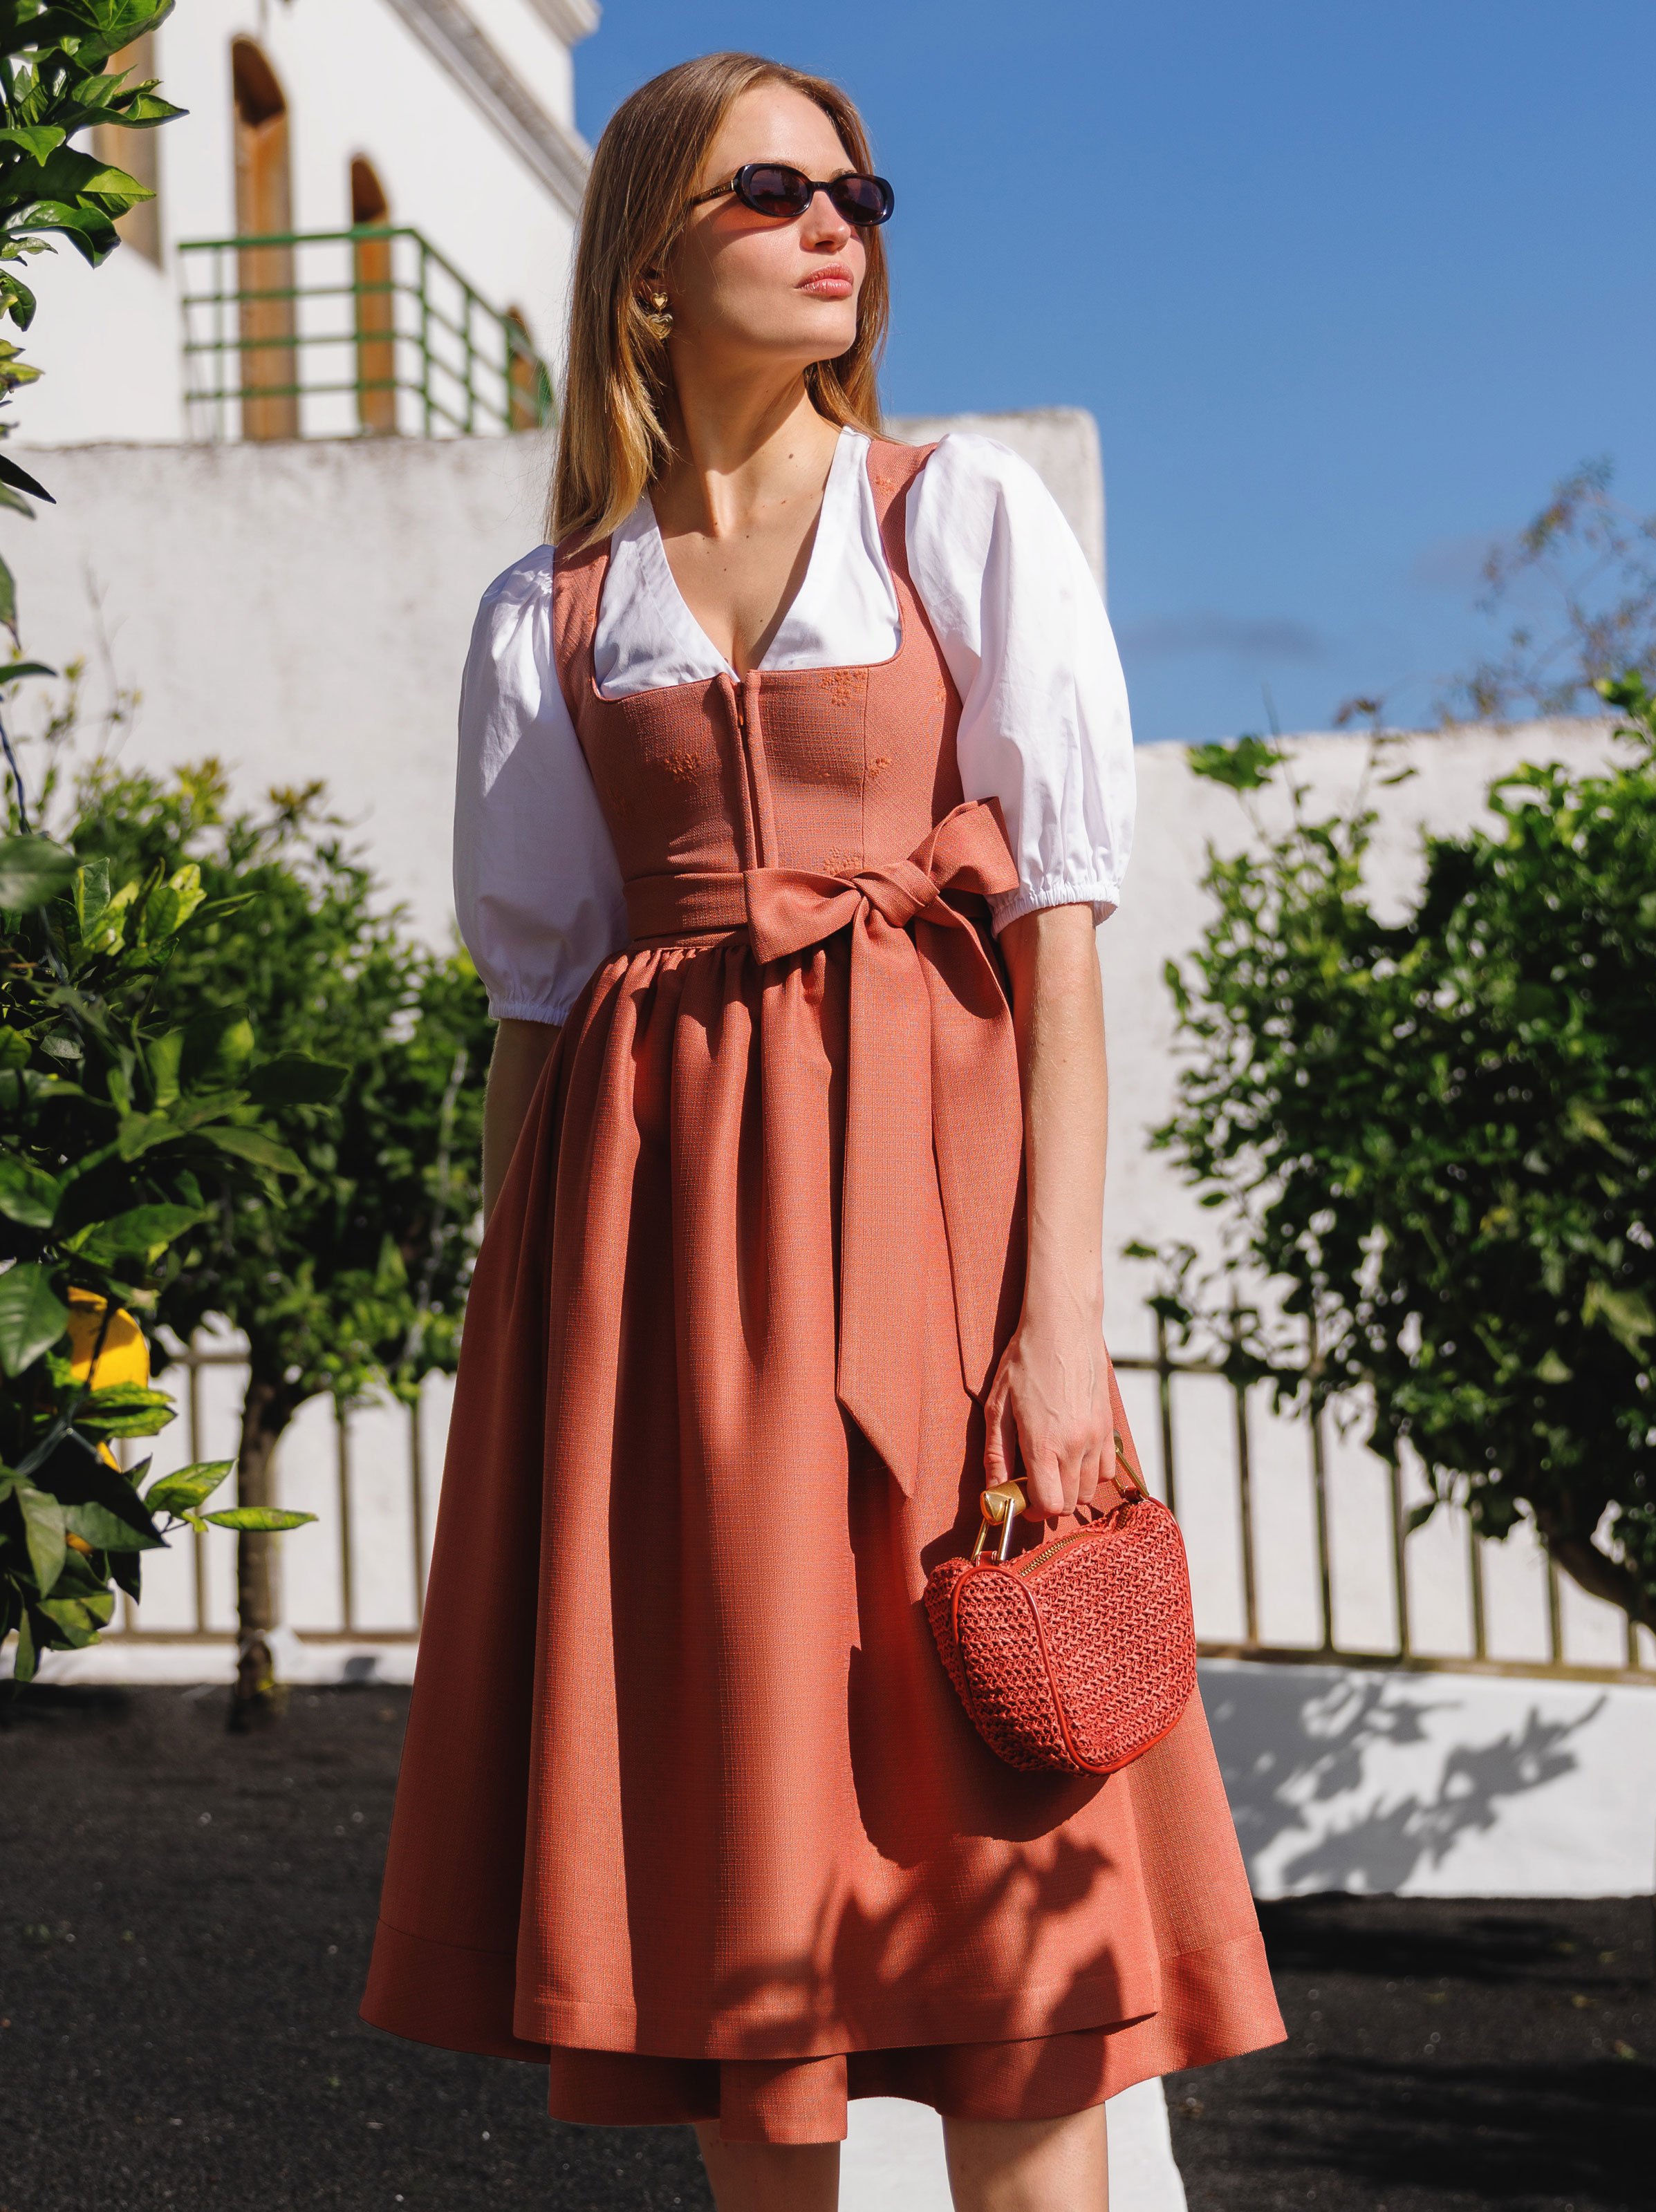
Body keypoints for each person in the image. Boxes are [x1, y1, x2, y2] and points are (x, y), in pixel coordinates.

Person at [362, 50, 1283, 2211]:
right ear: (651, 270)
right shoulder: (556, 615)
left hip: (941, 1256)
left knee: (1005, 1878)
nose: (838, 223)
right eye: (776, 190)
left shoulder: (955, 513)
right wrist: (528, 1394)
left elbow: (1059, 925)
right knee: (732, 1926)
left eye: (859, 189)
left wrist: (1061, 1332)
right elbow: (532, 1005)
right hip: (662, 1306)